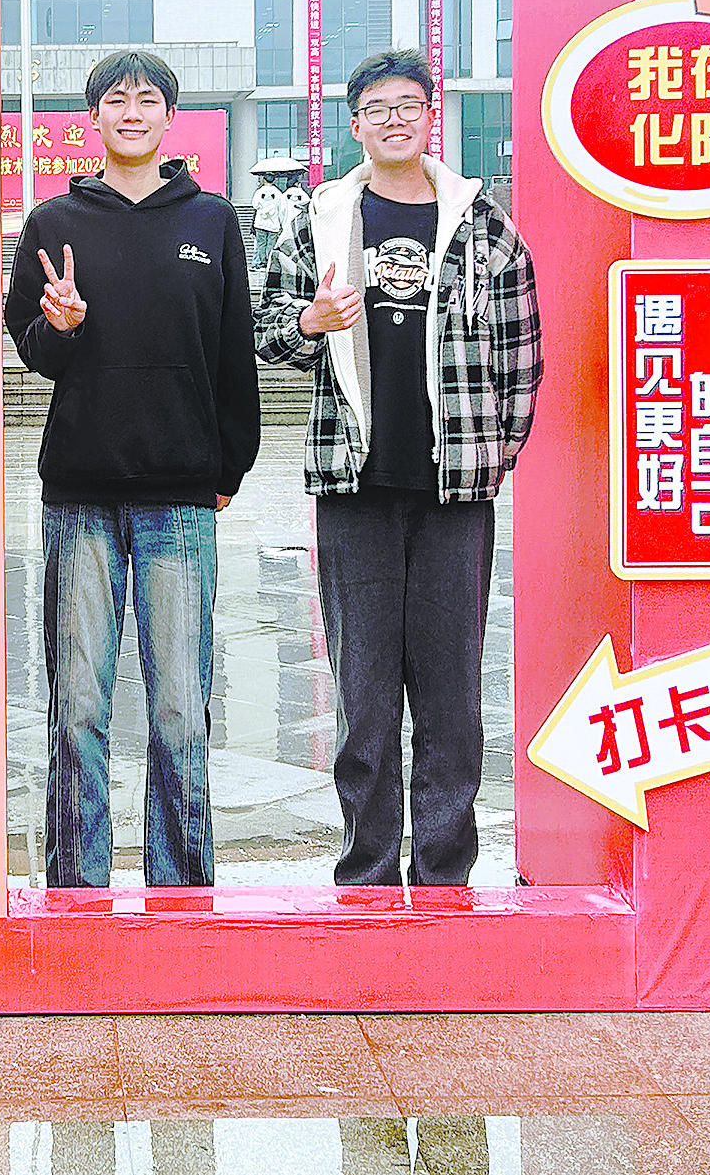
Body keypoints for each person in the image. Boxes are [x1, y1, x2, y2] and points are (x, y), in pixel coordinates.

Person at [255, 49, 542, 887]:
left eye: (407, 105)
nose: (393, 119)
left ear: (429, 116)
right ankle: (369, 870)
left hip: (455, 492)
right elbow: (266, 331)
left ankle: (445, 870)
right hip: (354, 487)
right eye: (376, 108)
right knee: (364, 693)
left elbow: (522, 352)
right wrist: (308, 321)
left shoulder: (481, 222)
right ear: (354, 124)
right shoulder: (320, 218)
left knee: (451, 696)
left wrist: (491, 454)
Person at [5, 49, 261, 888]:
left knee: (180, 710)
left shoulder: (210, 220)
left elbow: (232, 352)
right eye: (115, 99)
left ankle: (181, 892)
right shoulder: (53, 222)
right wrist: (62, 326)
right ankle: (76, 889)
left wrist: (227, 465)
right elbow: (33, 350)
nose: (131, 112)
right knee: (77, 706)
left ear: (168, 117)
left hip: (179, 499)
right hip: (79, 493)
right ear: (93, 117)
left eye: (148, 99)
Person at [249, 175, 287, 269]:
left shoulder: (258, 192)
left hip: (260, 223)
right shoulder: (278, 193)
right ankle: (269, 261)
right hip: (274, 224)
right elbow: (282, 209)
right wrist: (281, 222)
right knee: (271, 244)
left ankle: (262, 262)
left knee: (261, 244)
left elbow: (254, 205)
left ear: (264, 180)